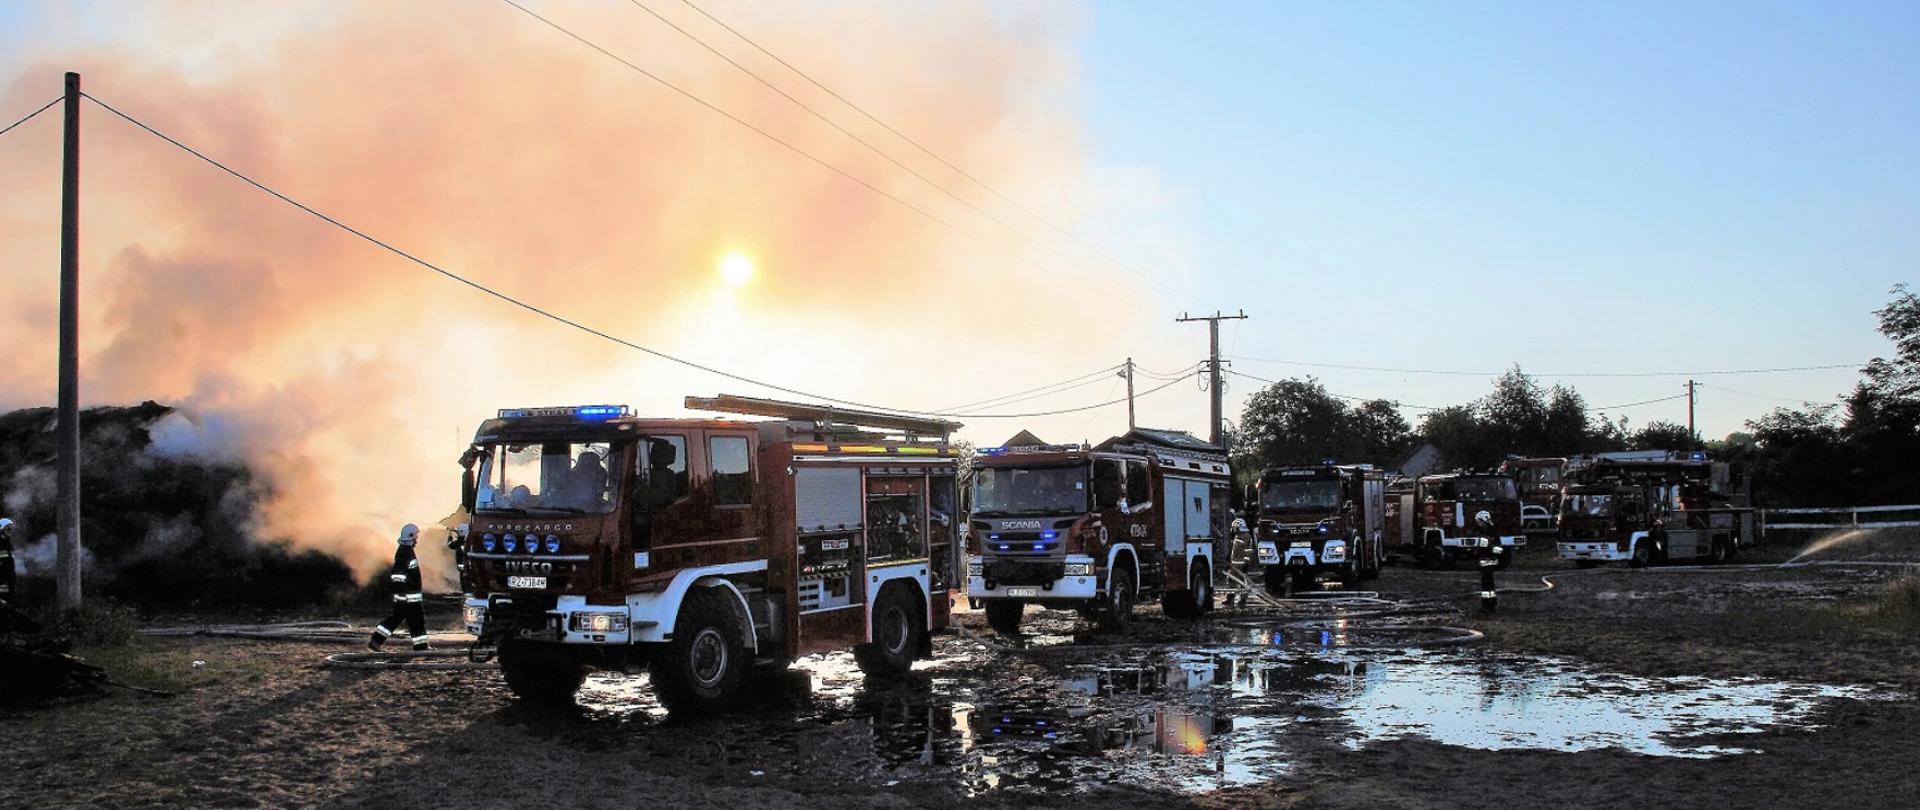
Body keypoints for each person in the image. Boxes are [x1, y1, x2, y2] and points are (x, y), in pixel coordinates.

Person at [369, 524, 429, 652]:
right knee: (411, 620)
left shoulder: (406, 550)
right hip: (407, 597)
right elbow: (398, 575)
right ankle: (376, 641)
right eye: (416, 537)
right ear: (411, 537)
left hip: (408, 596)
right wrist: (402, 594)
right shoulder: (404, 553)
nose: (417, 540)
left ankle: (420, 646)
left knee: (411, 621)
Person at [1473, 510, 1502, 613]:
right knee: (1490, 583)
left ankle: (1487, 605)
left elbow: (1482, 548)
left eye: (1479, 522)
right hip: (1491, 561)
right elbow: (1498, 548)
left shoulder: (1486, 532)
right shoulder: (1493, 531)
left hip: (1486, 562)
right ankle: (1491, 603)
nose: (1478, 524)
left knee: (1486, 584)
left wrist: (1477, 553)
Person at [0, 518, 16, 606]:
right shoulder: (3, 543)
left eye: (11, 529)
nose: (11, 532)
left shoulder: (6, 543)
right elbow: (7, 565)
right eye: (8, 529)